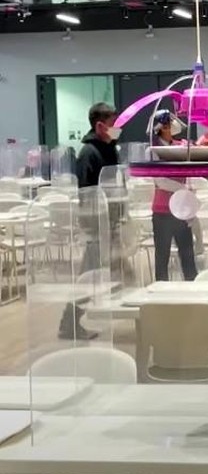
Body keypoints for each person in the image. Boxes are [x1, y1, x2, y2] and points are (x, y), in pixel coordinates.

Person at [58, 102, 121, 340]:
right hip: (97, 225)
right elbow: (86, 194)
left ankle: (72, 321)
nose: (117, 129)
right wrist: (96, 225)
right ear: (100, 126)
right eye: (113, 124)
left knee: (102, 273)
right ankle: (69, 322)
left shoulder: (109, 149)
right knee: (88, 275)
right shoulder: (89, 153)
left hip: (110, 223)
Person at [150, 110, 198, 281]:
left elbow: (189, 172)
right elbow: (160, 181)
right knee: (162, 256)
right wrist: (183, 188)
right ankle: (160, 290)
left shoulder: (181, 146)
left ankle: (193, 288)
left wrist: (189, 195)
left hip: (182, 209)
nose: (173, 126)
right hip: (163, 210)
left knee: (187, 254)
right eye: (169, 123)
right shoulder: (154, 150)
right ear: (162, 127)